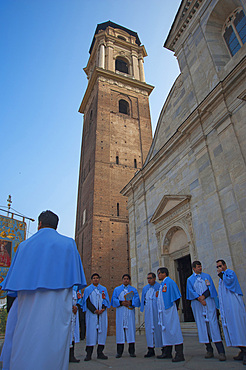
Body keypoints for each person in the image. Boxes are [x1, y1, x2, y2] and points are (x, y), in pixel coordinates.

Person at [0, 210, 86, 370]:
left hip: (27, 312)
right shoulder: (69, 244)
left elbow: (12, 290)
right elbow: (76, 281)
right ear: (56, 225)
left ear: (39, 224)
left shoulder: (23, 246)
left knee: (25, 346)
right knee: (54, 349)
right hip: (57, 311)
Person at [186, 261, 226, 361]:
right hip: (198, 304)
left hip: (208, 302)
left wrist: (203, 297)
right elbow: (190, 291)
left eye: (201, 266)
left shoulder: (206, 276)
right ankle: (209, 349)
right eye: (198, 267)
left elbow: (211, 288)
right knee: (202, 326)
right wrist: (199, 298)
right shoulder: (190, 279)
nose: (200, 268)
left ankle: (221, 351)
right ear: (194, 268)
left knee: (213, 325)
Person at [216, 259, 246, 365]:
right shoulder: (222, 277)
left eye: (220, 266)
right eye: (217, 267)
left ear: (225, 265)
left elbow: (230, 282)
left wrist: (221, 275)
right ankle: (242, 350)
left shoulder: (229, 273)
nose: (219, 268)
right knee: (234, 327)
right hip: (228, 307)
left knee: (240, 327)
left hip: (234, 304)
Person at [157, 267, 185, 362]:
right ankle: (167, 352)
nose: (158, 275)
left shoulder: (170, 282)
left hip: (170, 311)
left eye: (159, 273)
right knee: (167, 332)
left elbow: (177, 296)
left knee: (174, 331)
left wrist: (174, 308)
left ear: (164, 273)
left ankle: (179, 354)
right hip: (164, 313)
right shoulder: (163, 284)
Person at [82, 273, 110, 361]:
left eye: (97, 278)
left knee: (102, 333)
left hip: (102, 314)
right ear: (91, 280)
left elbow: (106, 300)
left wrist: (103, 308)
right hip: (92, 314)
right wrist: (95, 310)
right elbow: (87, 301)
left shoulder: (103, 289)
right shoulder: (88, 290)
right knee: (91, 333)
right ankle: (89, 354)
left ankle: (100, 352)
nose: (95, 279)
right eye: (94, 278)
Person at [111, 274, 140, 358]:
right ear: (122, 280)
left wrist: (131, 303)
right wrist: (121, 302)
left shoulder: (133, 290)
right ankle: (119, 352)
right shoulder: (117, 289)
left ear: (129, 280)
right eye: (124, 279)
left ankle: (132, 351)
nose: (126, 280)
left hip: (129, 313)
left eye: (127, 279)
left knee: (130, 331)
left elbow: (137, 299)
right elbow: (114, 299)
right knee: (120, 332)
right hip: (121, 313)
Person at [140, 272, 162, 357]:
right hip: (149, 313)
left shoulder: (159, 287)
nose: (148, 280)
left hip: (157, 312)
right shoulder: (145, 288)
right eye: (147, 278)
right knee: (149, 330)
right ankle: (150, 349)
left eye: (150, 278)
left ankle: (163, 348)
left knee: (159, 329)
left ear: (154, 278)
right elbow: (143, 300)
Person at [69, 286, 80, 363]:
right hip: (67, 314)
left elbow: (80, 300)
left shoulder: (76, 290)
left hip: (74, 315)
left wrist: (76, 307)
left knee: (72, 335)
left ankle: (71, 356)